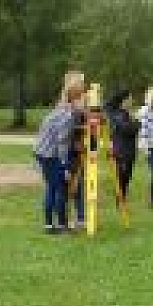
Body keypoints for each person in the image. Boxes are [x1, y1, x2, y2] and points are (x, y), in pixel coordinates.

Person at [33, 75, 87, 233]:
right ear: (75, 98)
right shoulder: (67, 115)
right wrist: (64, 167)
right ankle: (62, 226)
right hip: (50, 154)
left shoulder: (63, 107)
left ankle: (50, 225)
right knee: (60, 188)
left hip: (43, 152)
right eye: (83, 98)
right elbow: (62, 142)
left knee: (52, 187)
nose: (85, 103)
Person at [105, 89, 140, 201]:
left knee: (126, 177)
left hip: (129, 150)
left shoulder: (125, 113)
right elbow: (126, 129)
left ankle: (122, 200)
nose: (132, 101)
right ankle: (120, 200)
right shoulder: (118, 114)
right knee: (122, 177)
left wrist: (135, 123)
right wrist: (137, 124)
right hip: (121, 151)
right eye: (130, 98)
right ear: (124, 100)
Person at [64, 72, 87, 230]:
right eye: (81, 84)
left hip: (80, 150)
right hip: (69, 152)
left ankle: (80, 218)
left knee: (79, 186)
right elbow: (66, 131)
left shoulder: (80, 104)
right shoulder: (67, 106)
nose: (84, 87)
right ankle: (65, 218)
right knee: (69, 185)